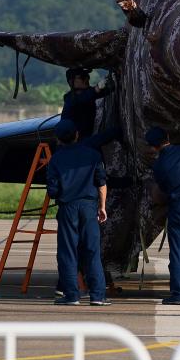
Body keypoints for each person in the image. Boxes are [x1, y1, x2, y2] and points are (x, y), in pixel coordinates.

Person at [46, 119, 110, 306]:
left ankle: (72, 295)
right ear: (77, 135)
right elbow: (101, 183)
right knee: (92, 251)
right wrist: (102, 206)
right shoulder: (93, 155)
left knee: (68, 252)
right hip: (89, 207)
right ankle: (98, 296)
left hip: (68, 208)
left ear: (58, 139)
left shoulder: (56, 159)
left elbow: (52, 191)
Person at [145, 126, 180, 305]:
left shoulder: (159, 165)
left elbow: (160, 195)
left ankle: (178, 294)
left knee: (178, 253)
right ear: (168, 136)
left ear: (152, 147)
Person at [61, 68, 112, 139]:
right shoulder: (69, 99)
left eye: (86, 75)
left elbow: (104, 91)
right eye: (82, 77)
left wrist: (110, 82)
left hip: (86, 136)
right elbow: (83, 98)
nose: (87, 78)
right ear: (71, 82)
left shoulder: (89, 93)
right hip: (73, 140)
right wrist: (97, 88)